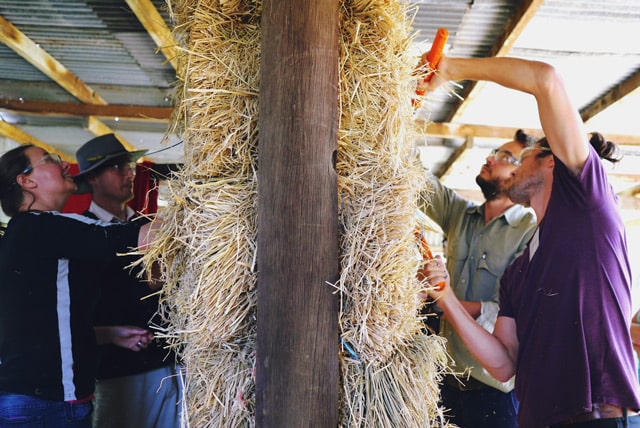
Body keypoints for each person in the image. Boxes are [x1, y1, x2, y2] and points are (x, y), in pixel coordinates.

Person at [420, 53, 640, 427]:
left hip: (597, 418)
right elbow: (504, 363)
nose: (515, 165)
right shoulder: (520, 269)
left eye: (523, 156)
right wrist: (445, 297)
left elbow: (546, 79)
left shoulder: (588, 203)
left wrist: (452, 69)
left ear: (551, 160)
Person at [0, 144, 159, 427]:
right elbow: (142, 239)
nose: (64, 165)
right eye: (50, 160)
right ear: (26, 181)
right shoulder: (41, 226)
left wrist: (108, 334)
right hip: (47, 406)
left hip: (35, 402)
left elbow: (40, 324)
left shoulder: (27, 232)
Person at [418, 130, 537, 427]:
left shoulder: (530, 229)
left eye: (504, 157)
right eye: (494, 151)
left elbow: (507, 310)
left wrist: (443, 301)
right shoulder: (460, 213)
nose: (490, 158)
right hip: (444, 378)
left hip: (493, 391)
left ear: (523, 172)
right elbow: (414, 177)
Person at [73, 134, 182, 428]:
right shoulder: (79, 234)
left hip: (168, 364)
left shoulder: (147, 226)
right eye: (118, 167)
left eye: (129, 166)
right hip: (116, 371)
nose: (129, 173)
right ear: (93, 177)